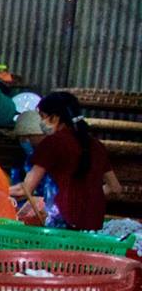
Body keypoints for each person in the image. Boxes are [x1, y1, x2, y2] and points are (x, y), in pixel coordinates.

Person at [12, 90, 119, 230]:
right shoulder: (96, 145)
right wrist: (86, 197)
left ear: (55, 118)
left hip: (63, 226)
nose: (41, 123)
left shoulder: (52, 143)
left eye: (42, 117)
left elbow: (24, 190)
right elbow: (115, 188)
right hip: (93, 228)